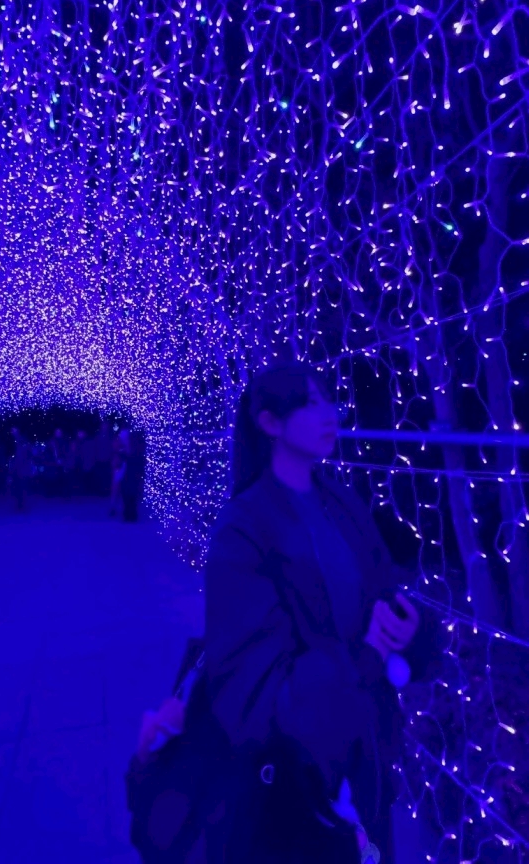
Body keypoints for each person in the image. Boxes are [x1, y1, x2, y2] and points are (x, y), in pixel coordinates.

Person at [204, 361, 444, 863]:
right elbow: (252, 685)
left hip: (368, 754)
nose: (329, 414)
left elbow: (379, 584)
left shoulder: (338, 500)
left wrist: (406, 627)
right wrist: (365, 657)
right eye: (309, 404)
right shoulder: (242, 531)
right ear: (269, 423)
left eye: (327, 400)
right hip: (301, 780)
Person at [8, 427, 33, 512]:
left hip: (22, 469)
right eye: (12, 431)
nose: (12, 432)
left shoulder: (22, 442)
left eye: (14, 431)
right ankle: (20, 506)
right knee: (18, 488)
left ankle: (22, 506)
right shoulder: (16, 442)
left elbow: (26, 456)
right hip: (18, 469)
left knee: (22, 488)